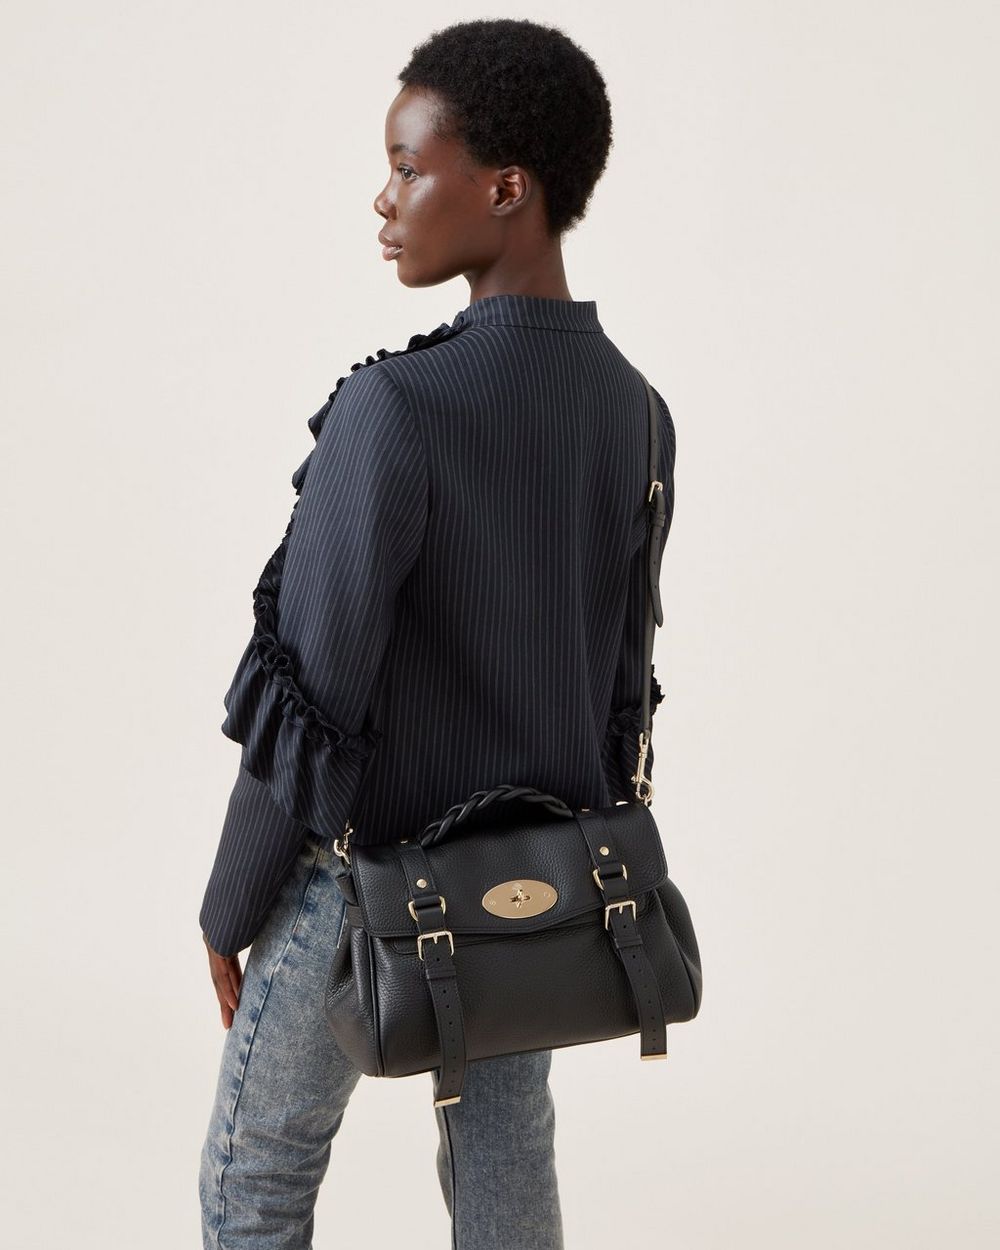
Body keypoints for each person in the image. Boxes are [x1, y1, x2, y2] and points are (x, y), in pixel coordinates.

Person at [197, 17, 676, 1250]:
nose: (384, 198)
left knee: (256, 1172)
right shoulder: (634, 408)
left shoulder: (394, 407)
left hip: (360, 882)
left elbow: (313, 687)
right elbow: (622, 687)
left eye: (409, 167)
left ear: (506, 188)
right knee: (506, 1161)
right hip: (533, 888)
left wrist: (228, 900)